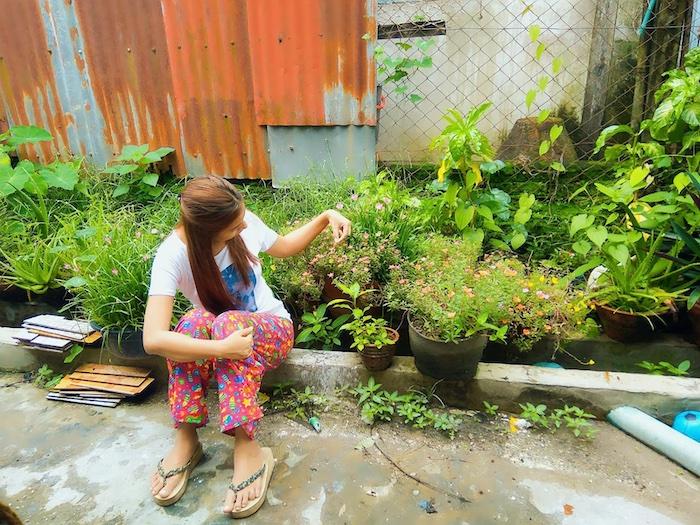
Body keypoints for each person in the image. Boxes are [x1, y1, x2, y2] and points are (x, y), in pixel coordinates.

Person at [143, 175, 350, 518]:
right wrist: (220, 349)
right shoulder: (172, 255)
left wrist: (326, 215)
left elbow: (283, 246)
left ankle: (248, 446)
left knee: (225, 323)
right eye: (233, 227)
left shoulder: (242, 221)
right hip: (229, 339)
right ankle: (187, 438)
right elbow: (153, 339)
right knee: (192, 324)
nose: (243, 227)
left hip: (272, 330)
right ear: (206, 233)